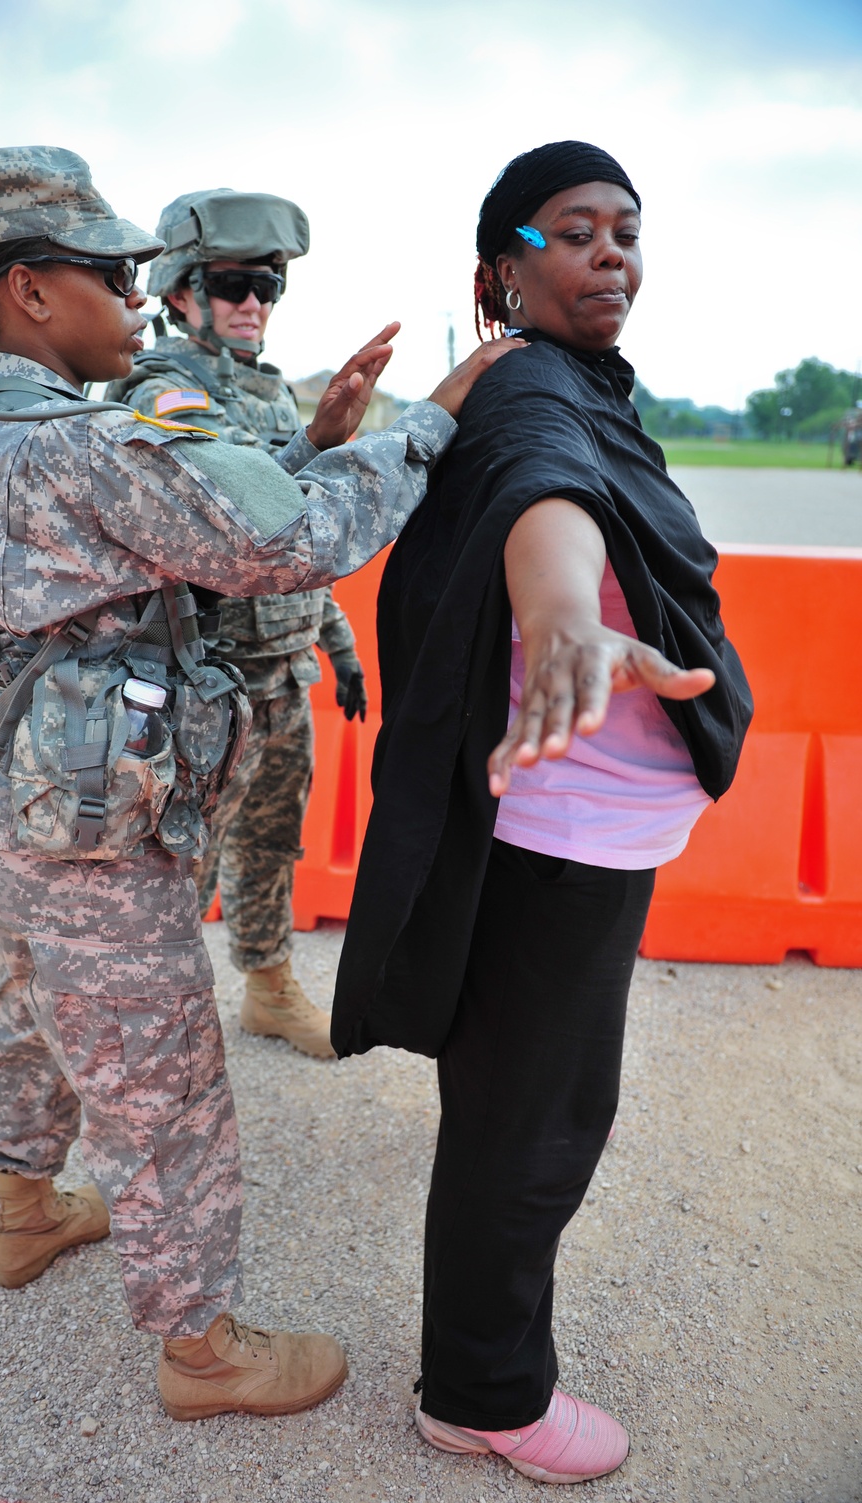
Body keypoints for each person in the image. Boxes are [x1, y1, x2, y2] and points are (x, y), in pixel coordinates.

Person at [0, 144, 515, 1423]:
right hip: (87, 830)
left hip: (18, 798)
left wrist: (311, 434)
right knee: (161, 1074)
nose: (136, 291)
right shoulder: (81, 435)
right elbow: (283, 544)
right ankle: (204, 1353)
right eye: (112, 270)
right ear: (27, 290)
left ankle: (23, 1212)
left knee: (30, 1005)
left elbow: (188, 519)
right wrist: (432, 421)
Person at [331, 141, 753, 1483]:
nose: (613, 253)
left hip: (583, 839)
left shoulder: (564, 382)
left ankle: (499, 1270)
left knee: (528, 1096)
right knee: (531, 1126)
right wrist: (565, 610)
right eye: (574, 231)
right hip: (558, 841)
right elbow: (543, 486)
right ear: (499, 272)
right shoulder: (530, 391)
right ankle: (483, 1389)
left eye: (628, 231)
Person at [105, 188, 363, 1061]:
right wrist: (320, 446)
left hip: (285, 672)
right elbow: (228, 513)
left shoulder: (274, 391)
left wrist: (339, 647)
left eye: (269, 287)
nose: (254, 303)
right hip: (208, 680)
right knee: (184, 861)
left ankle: (266, 983)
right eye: (233, 284)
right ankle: (163, 1023)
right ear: (179, 292)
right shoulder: (163, 387)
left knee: (271, 840)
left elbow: (301, 539)